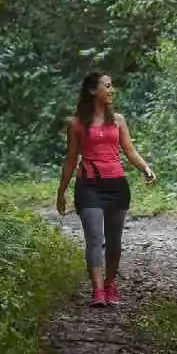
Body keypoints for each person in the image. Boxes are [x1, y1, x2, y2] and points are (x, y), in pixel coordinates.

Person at [56, 72, 157, 307]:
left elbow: (129, 151)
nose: (112, 90)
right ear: (93, 90)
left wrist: (146, 168)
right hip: (89, 186)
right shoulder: (76, 123)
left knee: (114, 242)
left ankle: (110, 284)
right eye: (108, 86)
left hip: (116, 185)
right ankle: (98, 291)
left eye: (112, 86)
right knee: (94, 238)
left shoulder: (118, 120)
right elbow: (71, 159)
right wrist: (61, 191)